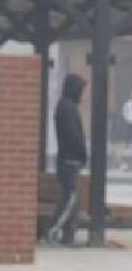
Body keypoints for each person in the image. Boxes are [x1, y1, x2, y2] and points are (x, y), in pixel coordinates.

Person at [48, 73, 87, 245]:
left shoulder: (66, 106)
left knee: (71, 200)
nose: (82, 94)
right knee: (69, 200)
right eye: (80, 89)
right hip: (70, 160)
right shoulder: (68, 108)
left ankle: (68, 236)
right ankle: (52, 231)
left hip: (69, 160)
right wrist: (82, 152)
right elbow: (73, 136)